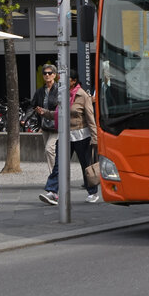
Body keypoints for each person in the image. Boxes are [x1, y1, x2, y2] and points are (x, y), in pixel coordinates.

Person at [39, 70, 100, 205]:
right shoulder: (63, 95)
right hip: (65, 135)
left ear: (73, 81)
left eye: (67, 80)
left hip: (81, 136)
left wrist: (95, 138)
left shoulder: (83, 96)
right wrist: (45, 113)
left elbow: (90, 118)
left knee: (86, 165)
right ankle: (52, 191)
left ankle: (93, 191)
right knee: (59, 164)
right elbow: (57, 114)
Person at [31, 62, 61, 171]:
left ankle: (55, 176)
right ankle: (53, 175)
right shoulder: (40, 91)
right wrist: (35, 112)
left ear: (54, 75)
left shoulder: (59, 90)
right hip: (45, 127)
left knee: (49, 149)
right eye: (45, 73)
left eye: (49, 73)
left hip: (57, 126)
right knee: (49, 151)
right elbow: (33, 105)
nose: (47, 75)